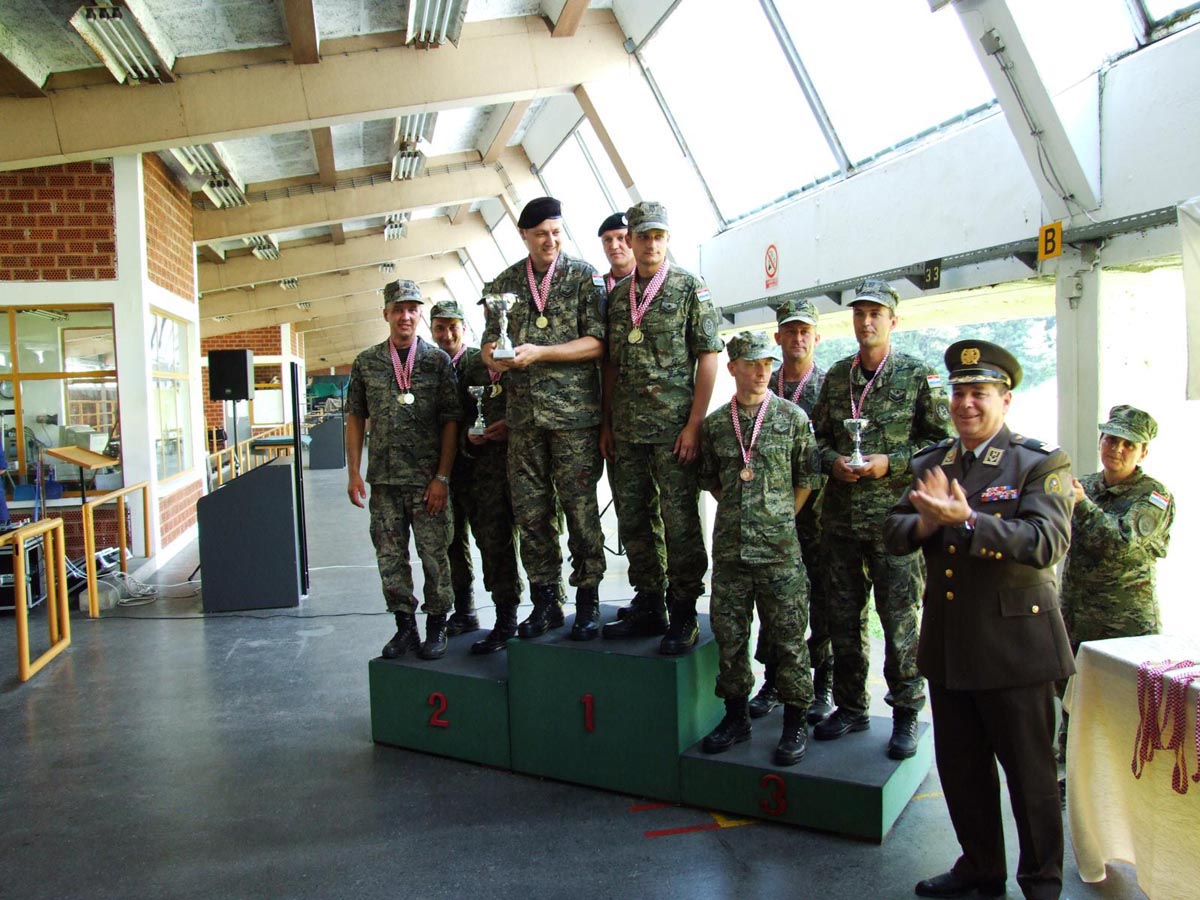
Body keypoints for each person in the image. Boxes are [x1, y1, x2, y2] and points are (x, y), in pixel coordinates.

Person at [883, 340, 1075, 900]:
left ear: (1005, 399)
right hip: (951, 644)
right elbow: (893, 531)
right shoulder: (932, 462)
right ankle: (981, 867)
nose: (965, 403)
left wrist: (967, 521)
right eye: (959, 392)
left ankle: (1041, 882)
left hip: (1016, 648)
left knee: (1031, 778)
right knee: (962, 771)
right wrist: (924, 523)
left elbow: (1046, 542)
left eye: (979, 393)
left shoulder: (1038, 462)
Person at [810, 278, 951, 759]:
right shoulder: (836, 376)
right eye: (859, 313)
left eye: (875, 314)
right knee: (844, 620)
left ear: (893, 320)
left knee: (900, 622)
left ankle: (907, 711)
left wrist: (892, 461)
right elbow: (817, 439)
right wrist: (832, 462)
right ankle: (851, 707)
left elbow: (942, 444)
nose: (866, 322)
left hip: (897, 525)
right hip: (841, 523)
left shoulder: (916, 374)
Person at [481, 197, 607, 640]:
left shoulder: (584, 276)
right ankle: (546, 600)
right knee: (531, 513)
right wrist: (495, 358)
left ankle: (588, 598)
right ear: (524, 236)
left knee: (579, 509)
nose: (550, 241)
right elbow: (488, 343)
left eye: (556, 232)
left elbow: (598, 342)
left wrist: (541, 353)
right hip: (524, 421)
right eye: (540, 234)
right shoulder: (505, 283)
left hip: (574, 419)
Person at [599, 201, 722, 653]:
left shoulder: (690, 288)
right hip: (628, 430)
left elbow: (708, 356)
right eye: (643, 236)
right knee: (633, 517)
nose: (651, 244)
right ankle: (649, 601)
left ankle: (684, 610)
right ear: (629, 240)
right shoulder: (618, 296)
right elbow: (612, 365)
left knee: (679, 520)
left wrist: (695, 425)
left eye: (658, 236)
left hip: (674, 431)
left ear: (667, 239)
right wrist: (607, 423)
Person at [697, 331, 822, 765]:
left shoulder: (792, 418)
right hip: (732, 553)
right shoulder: (716, 425)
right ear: (732, 367)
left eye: (767, 364)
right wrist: (740, 510)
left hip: (780, 554)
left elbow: (808, 478)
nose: (761, 371)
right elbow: (711, 480)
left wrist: (781, 516)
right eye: (752, 364)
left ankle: (794, 722)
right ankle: (736, 717)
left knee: (788, 641)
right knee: (730, 639)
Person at [346, 279, 461, 661]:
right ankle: (405, 627)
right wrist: (354, 472)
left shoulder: (437, 362)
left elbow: (451, 421)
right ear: (386, 314)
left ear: (419, 314)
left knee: (434, 556)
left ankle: (437, 624)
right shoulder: (367, 363)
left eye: (412, 309)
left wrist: (442, 477)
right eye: (398, 309)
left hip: (427, 482)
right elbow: (355, 417)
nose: (405, 316)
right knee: (390, 558)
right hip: (384, 481)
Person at [750, 297, 833, 723]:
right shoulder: (764, 383)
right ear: (778, 337)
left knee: (821, 598)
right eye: (790, 331)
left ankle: (822, 682)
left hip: (819, 515)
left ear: (817, 337)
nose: (797, 339)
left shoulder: (832, 386)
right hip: (772, 517)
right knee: (772, 599)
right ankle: (774, 679)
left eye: (805, 332)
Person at [1061, 405, 1174, 645]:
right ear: (1100, 441)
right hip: (1076, 621)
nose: (1117, 449)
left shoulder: (1154, 495)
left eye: (1129, 444)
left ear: (1143, 453)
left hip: (1124, 625)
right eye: (1111, 440)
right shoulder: (1085, 486)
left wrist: (1081, 505)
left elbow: (1121, 544)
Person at [429, 299, 481, 636]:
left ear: (464, 327)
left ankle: (507, 612)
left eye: (453, 327)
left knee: (492, 538)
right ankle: (465, 609)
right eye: (440, 328)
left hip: (480, 468)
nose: (447, 335)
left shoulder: (480, 362)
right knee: (451, 541)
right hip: (442, 469)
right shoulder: (427, 365)